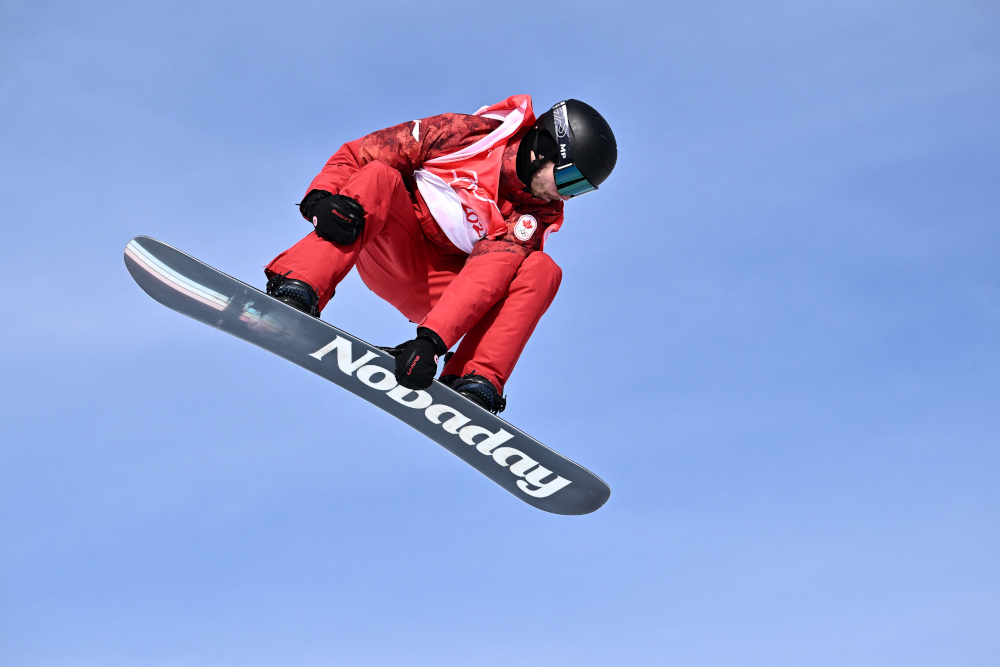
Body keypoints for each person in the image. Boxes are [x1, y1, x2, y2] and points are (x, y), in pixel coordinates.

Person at [264, 96, 617, 413]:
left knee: (541, 268)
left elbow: (488, 275)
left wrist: (430, 342)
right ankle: (299, 287)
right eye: (570, 180)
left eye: (582, 190)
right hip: (390, 246)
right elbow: (361, 153)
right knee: (379, 174)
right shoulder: (460, 135)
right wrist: (320, 198)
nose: (568, 196)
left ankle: (474, 379)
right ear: (543, 148)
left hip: (442, 293)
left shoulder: (535, 215)